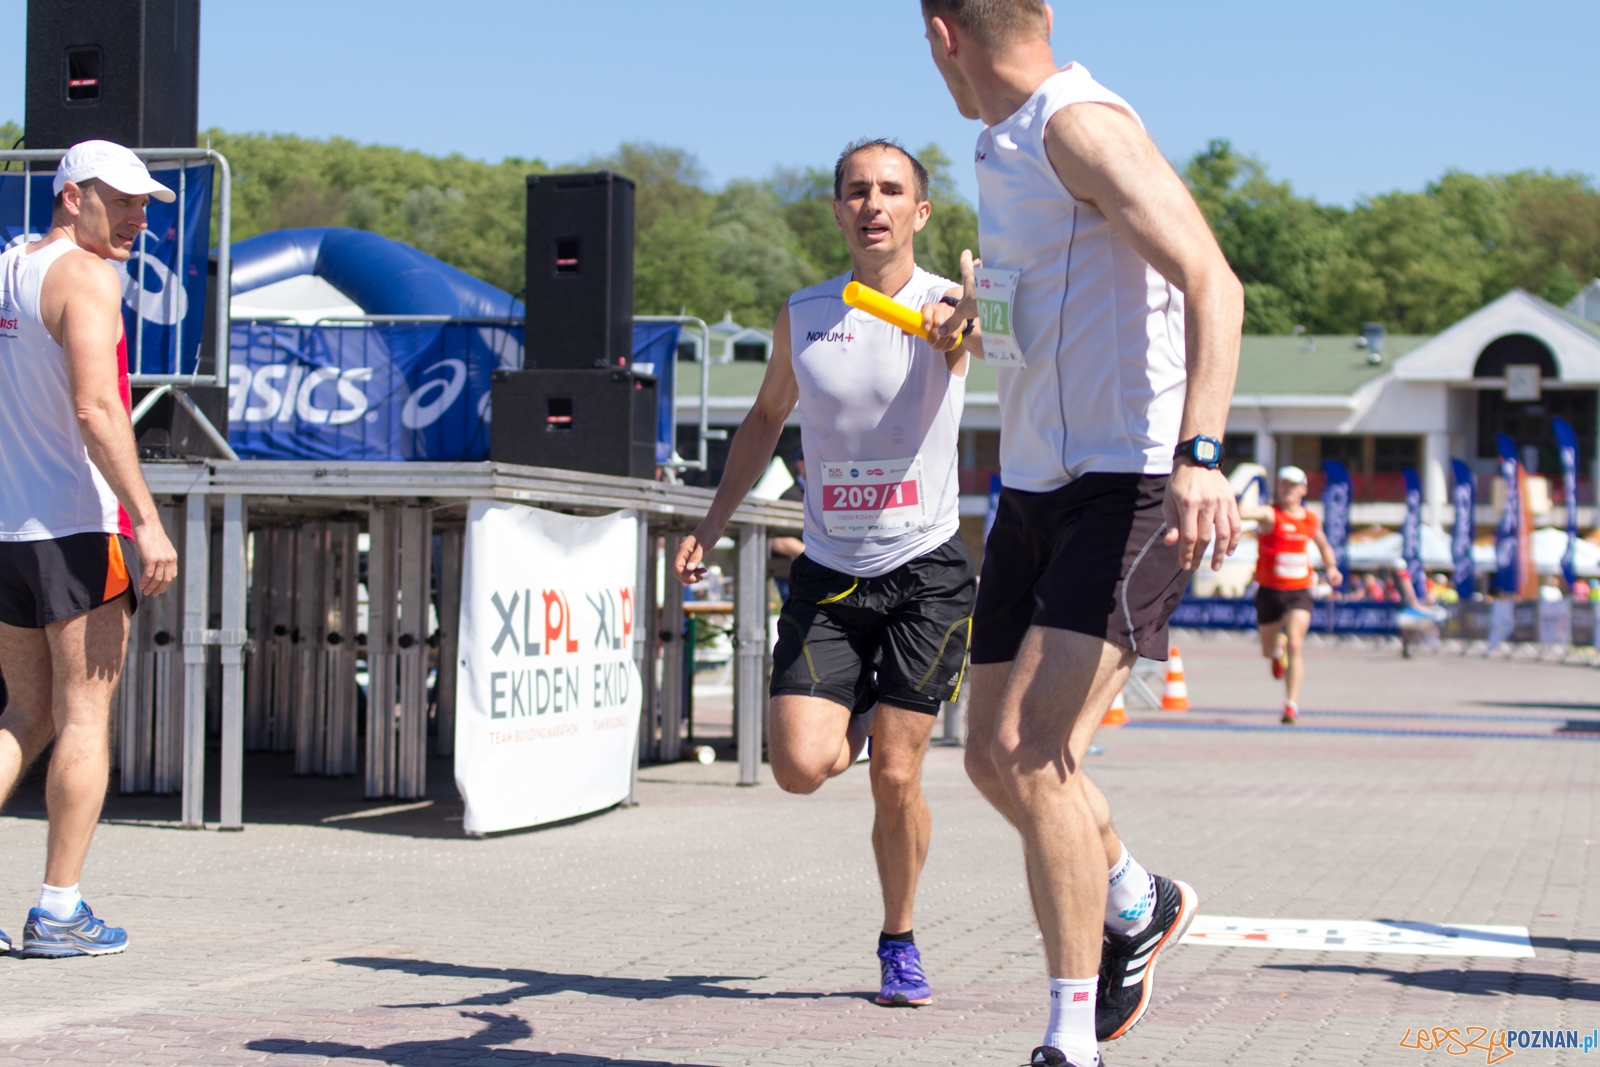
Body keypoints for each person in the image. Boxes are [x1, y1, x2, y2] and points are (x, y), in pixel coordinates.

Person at [922, 4, 1244, 1064]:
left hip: (1129, 476)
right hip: (1033, 483)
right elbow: (1065, 295)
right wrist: (984, 317)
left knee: (1039, 752)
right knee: (984, 758)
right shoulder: (1000, 141)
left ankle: (1069, 1034)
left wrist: (1199, 454)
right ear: (1042, 13)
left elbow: (1213, 280)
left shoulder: (1079, 123)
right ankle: (1135, 897)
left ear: (940, 34)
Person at [674, 137, 979, 1008]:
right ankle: (875, 703)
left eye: (891, 191)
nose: (872, 204)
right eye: (856, 191)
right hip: (830, 574)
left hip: (923, 571)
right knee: (800, 767)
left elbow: (969, 337)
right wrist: (712, 520)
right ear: (838, 209)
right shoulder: (805, 313)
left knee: (895, 774)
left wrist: (968, 317)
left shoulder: (944, 305)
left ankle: (900, 939)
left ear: (919, 211)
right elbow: (767, 418)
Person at [0, 141, 178, 958]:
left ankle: (56, 908)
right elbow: (97, 408)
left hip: (9, 528)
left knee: (23, 714)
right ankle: (59, 910)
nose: (140, 219)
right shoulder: (87, 275)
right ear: (72, 196)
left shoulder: (10, 267)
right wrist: (146, 518)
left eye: (146, 204)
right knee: (81, 717)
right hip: (79, 529)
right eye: (124, 201)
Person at [1240, 465, 1342, 724]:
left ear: (1303, 490)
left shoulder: (1310, 518)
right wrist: (1235, 501)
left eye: (1293, 485)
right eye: (1284, 484)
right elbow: (1245, 512)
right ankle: (1276, 651)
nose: (1288, 489)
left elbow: (1324, 544)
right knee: (1266, 650)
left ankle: (1291, 705)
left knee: (1297, 643)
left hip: (1299, 591)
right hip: (1269, 591)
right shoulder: (1270, 514)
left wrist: (1331, 567)